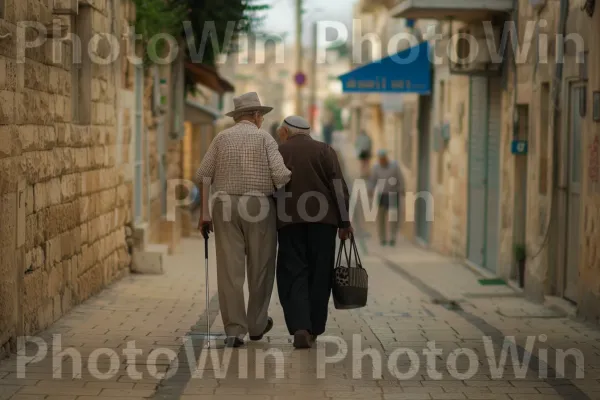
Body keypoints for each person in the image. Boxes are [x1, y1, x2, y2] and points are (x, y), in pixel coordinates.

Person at [195, 92, 291, 348]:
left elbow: (204, 175)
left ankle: (235, 331)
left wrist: (204, 213)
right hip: (259, 205)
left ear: (237, 116)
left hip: (224, 205)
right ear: (258, 116)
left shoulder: (221, 138)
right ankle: (257, 325)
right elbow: (281, 177)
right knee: (261, 268)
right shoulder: (265, 139)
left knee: (229, 270)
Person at [275, 115, 352, 349]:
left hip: (289, 222)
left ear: (287, 132)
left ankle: (300, 326)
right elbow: (338, 186)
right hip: (324, 223)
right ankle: (315, 327)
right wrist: (344, 222)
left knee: (293, 271)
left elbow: (272, 186)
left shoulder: (280, 151)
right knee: (320, 274)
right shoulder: (325, 150)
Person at [369, 149, 405, 246]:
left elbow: (400, 178)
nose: (382, 160)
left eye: (383, 158)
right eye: (380, 159)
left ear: (386, 158)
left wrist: (402, 189)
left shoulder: (394, 166)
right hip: (381, 194)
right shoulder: (376, 167)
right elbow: (372, 180)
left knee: (393, 217)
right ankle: (382, 238)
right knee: (381, 217)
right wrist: (371, 190)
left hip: (393, 193)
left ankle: (392, 237)